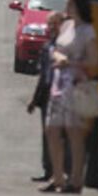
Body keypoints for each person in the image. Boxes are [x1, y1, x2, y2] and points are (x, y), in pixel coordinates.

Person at [41, 0, 98, 194]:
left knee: (74, 133)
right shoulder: (66, 26)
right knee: (52, 130)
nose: (67, 7)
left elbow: (93, 61)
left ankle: (75, 179)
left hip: (75, 84)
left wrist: (71, 62)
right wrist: (57, 56)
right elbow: (56, 48)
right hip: (59, 83)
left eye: (70, 4)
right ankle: (58, 176)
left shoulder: (87, 31)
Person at [27, 11, 66, 182]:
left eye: (54, 24)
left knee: (60, 134)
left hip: (62, 94)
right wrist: (35, 101)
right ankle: (48, 169)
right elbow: (43, 76)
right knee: (47, 134)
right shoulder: (46, 47)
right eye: (49, 24)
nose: (51, 28)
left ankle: (61, 170)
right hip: (47, 94)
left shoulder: (65, 45)